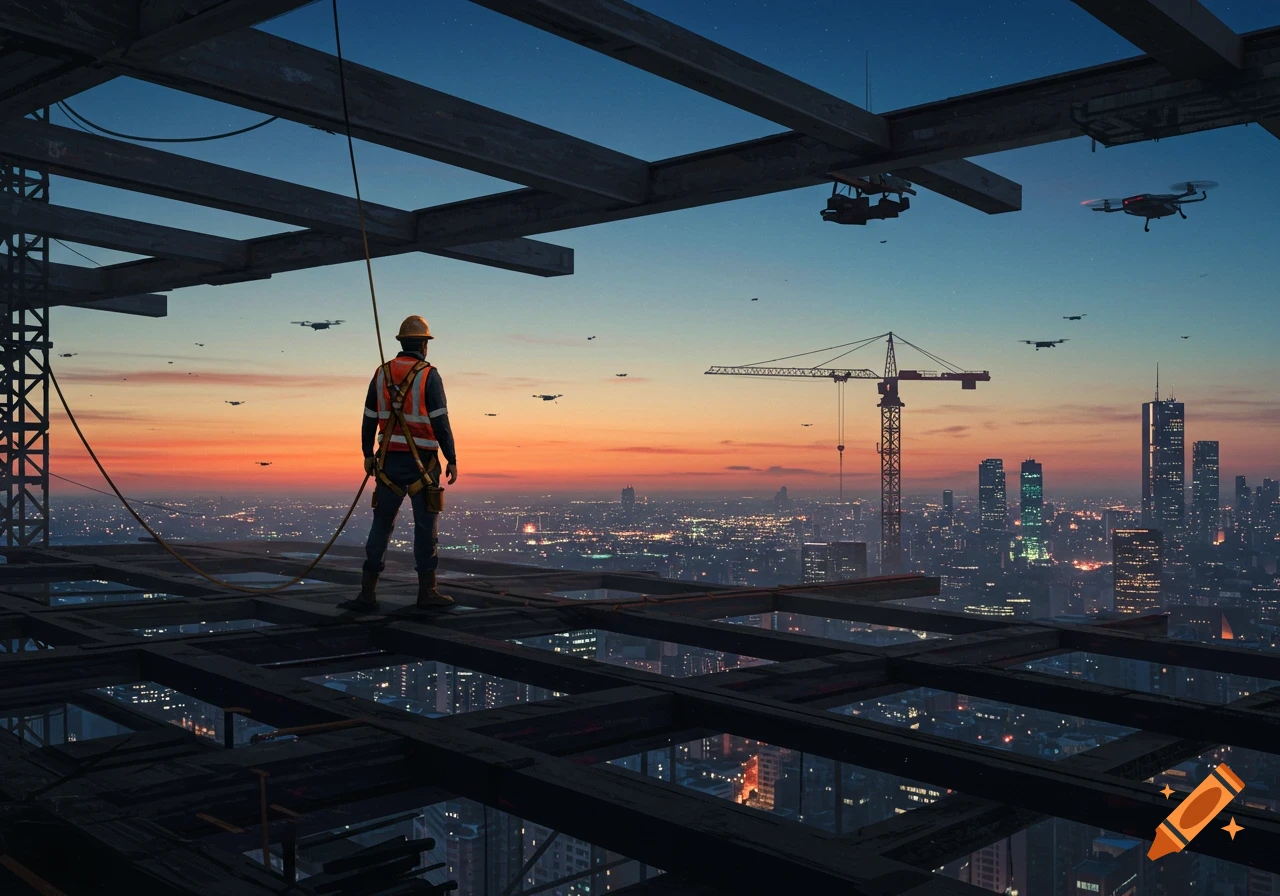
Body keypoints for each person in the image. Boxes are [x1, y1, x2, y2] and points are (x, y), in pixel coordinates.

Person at [342, 315, 458, 611]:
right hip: (423, 463)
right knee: (425, 528)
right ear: (423, 344)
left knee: (381, 526)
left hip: (388, 464)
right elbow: (440, 420)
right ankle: (427, 592)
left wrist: (367, 454)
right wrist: (452, 458)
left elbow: (368, 418)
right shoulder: (428, 375)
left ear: (402, 342)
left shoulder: (380, 374)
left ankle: (367, 593)